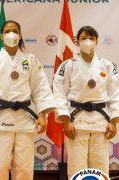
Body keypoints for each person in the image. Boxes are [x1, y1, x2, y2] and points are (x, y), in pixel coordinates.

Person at [0, 20, 56, 180]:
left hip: (25, 120)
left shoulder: (30, 59)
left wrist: (42, 115)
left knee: (24, 169)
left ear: (20, 36)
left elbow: (40, 88)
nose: (11, 34)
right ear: (2, 36)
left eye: (15, 31)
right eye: (8, 31)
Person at [53, 26, 119, 178]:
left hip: (101, 122)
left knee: (101, 166)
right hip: (76, 122)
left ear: (96, 42)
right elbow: (59, 93)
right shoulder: (67, 65)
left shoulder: (107, 65)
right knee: (76, 167)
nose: (87, 42)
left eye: (91, 38)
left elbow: (115, 94)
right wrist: (65, 121)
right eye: (83, 38)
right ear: (77, 42)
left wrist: (114, 122)